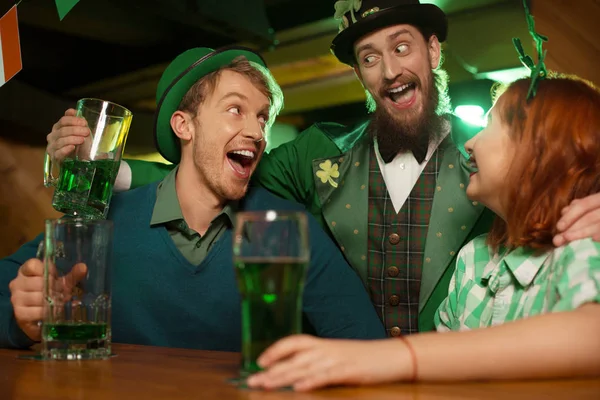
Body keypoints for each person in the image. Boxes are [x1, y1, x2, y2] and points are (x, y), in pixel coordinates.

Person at [44, 0, 600, 335]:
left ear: (433, 51)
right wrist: (101, 171)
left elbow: (572, 158)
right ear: (361, 75)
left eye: (402, 47)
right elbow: (210, 177)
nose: (389, 70)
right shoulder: (316, 153)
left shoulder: (498, 153)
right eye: (369, 58)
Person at [0, 47, 386, 350]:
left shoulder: (287, 228)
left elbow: (367, 346)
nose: (256, 131)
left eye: (262, 117)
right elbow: (11, 298)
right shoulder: (103, 223)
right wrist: (20, 322)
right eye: (236, 109)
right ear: (184, 125)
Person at [244, 74, 600, 391]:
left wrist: (391, 359)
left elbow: (591, 336)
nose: (472, 143)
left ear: (537, 151)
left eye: (490, 126)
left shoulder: (583, 247)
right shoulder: (474, 260)